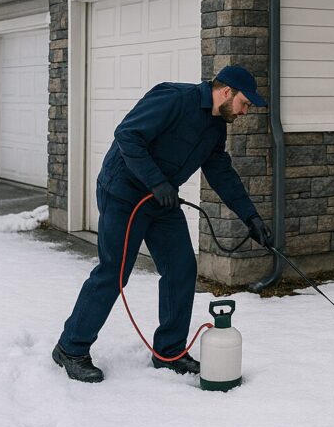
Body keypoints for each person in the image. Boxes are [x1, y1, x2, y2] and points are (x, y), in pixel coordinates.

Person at [52, 64, 274, 383]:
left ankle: (169, 351)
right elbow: (128, 136)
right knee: (114, 272)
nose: (244, 111)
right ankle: (70, 348)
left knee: (182, 267)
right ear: (227, 92)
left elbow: (221, 172)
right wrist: (156, 181)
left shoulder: (215, 127)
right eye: (244, 103)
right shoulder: (174, 98)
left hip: (161, 200)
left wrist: (250, 217)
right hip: (124, 194)